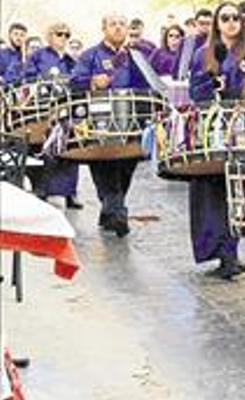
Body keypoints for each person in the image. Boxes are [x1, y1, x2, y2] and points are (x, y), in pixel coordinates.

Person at [187, 2, 245, 279]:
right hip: (213, 127)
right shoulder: (204, 54)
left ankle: (232, 251)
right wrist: (212, 86)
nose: (230, 23)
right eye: (224, 18)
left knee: (238, 191)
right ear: (217, 22)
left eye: (235, 18)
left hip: (242, 126)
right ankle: (222, 253)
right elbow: (194, 91)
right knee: (211, 191)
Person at [69, 13, 150, 237]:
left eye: (122, 24)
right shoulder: (90, 55)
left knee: (126, 170)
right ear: (103, 29)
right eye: (112, 24)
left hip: (131, 124)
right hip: (100, 125)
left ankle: (109, 211)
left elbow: (149, 84)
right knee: (105, 168)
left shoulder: (136, 56)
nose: (118, 28)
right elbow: (74, 82)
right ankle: (117, 214)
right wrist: (92, 81)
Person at [20, 23, 82, 208]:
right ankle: (44, 190)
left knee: (71, 148)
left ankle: (69, 193)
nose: (63, 38)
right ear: (49, 36)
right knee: (44, 149)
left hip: (66, 109)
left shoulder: (71, 61)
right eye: (59, 34)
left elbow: (78, 80)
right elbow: (28, 78)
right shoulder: (38, 56)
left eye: (66, 34)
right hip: (43, 108)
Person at [175, 8, 213, 78]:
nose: (204, 26)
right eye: (201, 23)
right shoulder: (186, 43)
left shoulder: (217, 42)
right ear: (196, 23)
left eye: (208, 23)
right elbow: (177, 67)